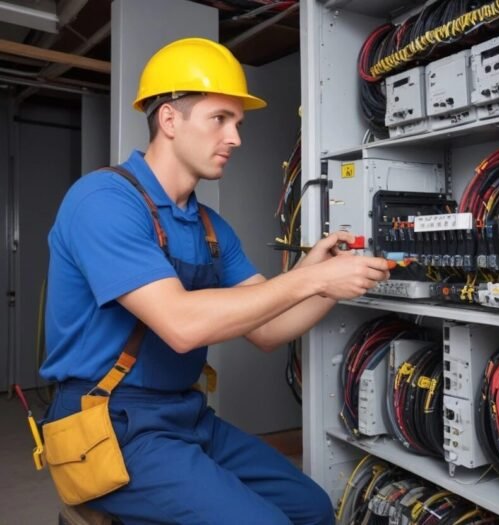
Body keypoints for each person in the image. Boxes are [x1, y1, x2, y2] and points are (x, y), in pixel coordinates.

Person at [39, 37, 390, 525]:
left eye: (238, 123)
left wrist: (330, 280)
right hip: (110, 421)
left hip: (185, 415)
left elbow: (267, 330)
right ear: (168, 120)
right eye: (219, 119)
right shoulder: (103, 200)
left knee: (312, 508)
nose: (236, 138)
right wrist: (310, 280)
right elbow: (182, 325)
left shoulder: (208, 227)